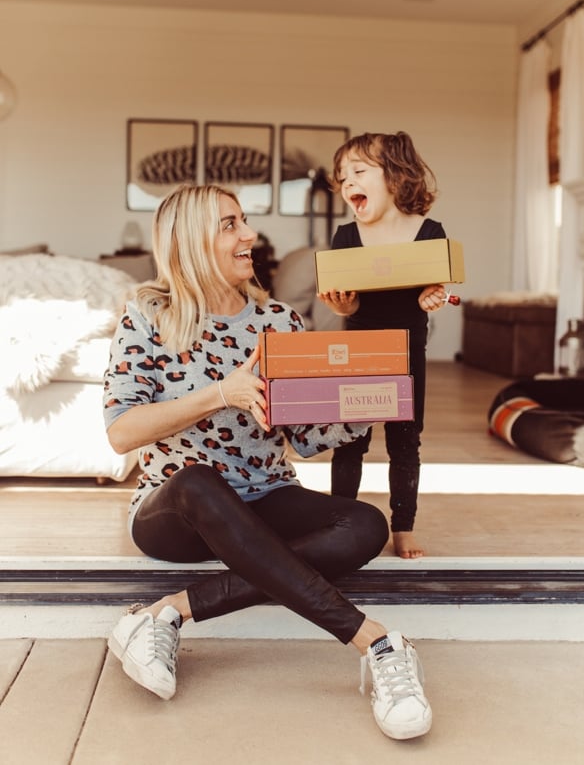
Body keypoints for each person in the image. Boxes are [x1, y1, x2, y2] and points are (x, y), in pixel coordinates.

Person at [103, 183, 432, 741]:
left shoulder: (278, 321)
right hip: (178, 510)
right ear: (191, 240)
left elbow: (303, 438)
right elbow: (121, 433)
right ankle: (374, 641)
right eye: (230, 225)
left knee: (364, 525)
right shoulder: (148, 316)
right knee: (199, 481)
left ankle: (170, 612)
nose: (249, 236)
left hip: (264, 497)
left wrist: (368, 404)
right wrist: (219, 394)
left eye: (243, 222)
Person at [317, 131, 448, 559]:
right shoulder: (345, 235)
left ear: (395, 176)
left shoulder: (429, 232)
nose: (347, 181)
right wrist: (346, 305)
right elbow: (345, 301)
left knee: (405, 440)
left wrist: (433, 296)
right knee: (350, 439)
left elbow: (433, 290)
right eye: (342, 176)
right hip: (359, 351)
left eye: (359, 171)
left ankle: (403, 526)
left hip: (409, 349)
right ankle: (342, 517)